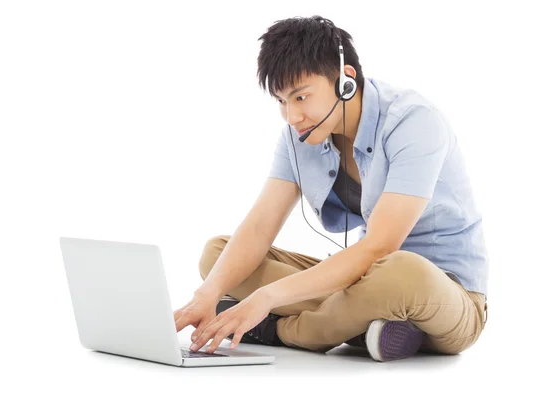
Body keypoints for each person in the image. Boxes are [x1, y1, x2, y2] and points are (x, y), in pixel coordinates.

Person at [173, 15, 488, 362]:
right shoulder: (298, 137)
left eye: (301, 97)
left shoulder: (413, 122)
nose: (291, 116)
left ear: (345, 81)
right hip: (364, 282)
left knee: (401, 271)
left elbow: (379, 248)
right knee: (218, 254)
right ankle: (369, 326)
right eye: (281, 101)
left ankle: (279, 331)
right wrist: (206, 294)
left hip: (448, 296)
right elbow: (259, 226)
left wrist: (265, 300)